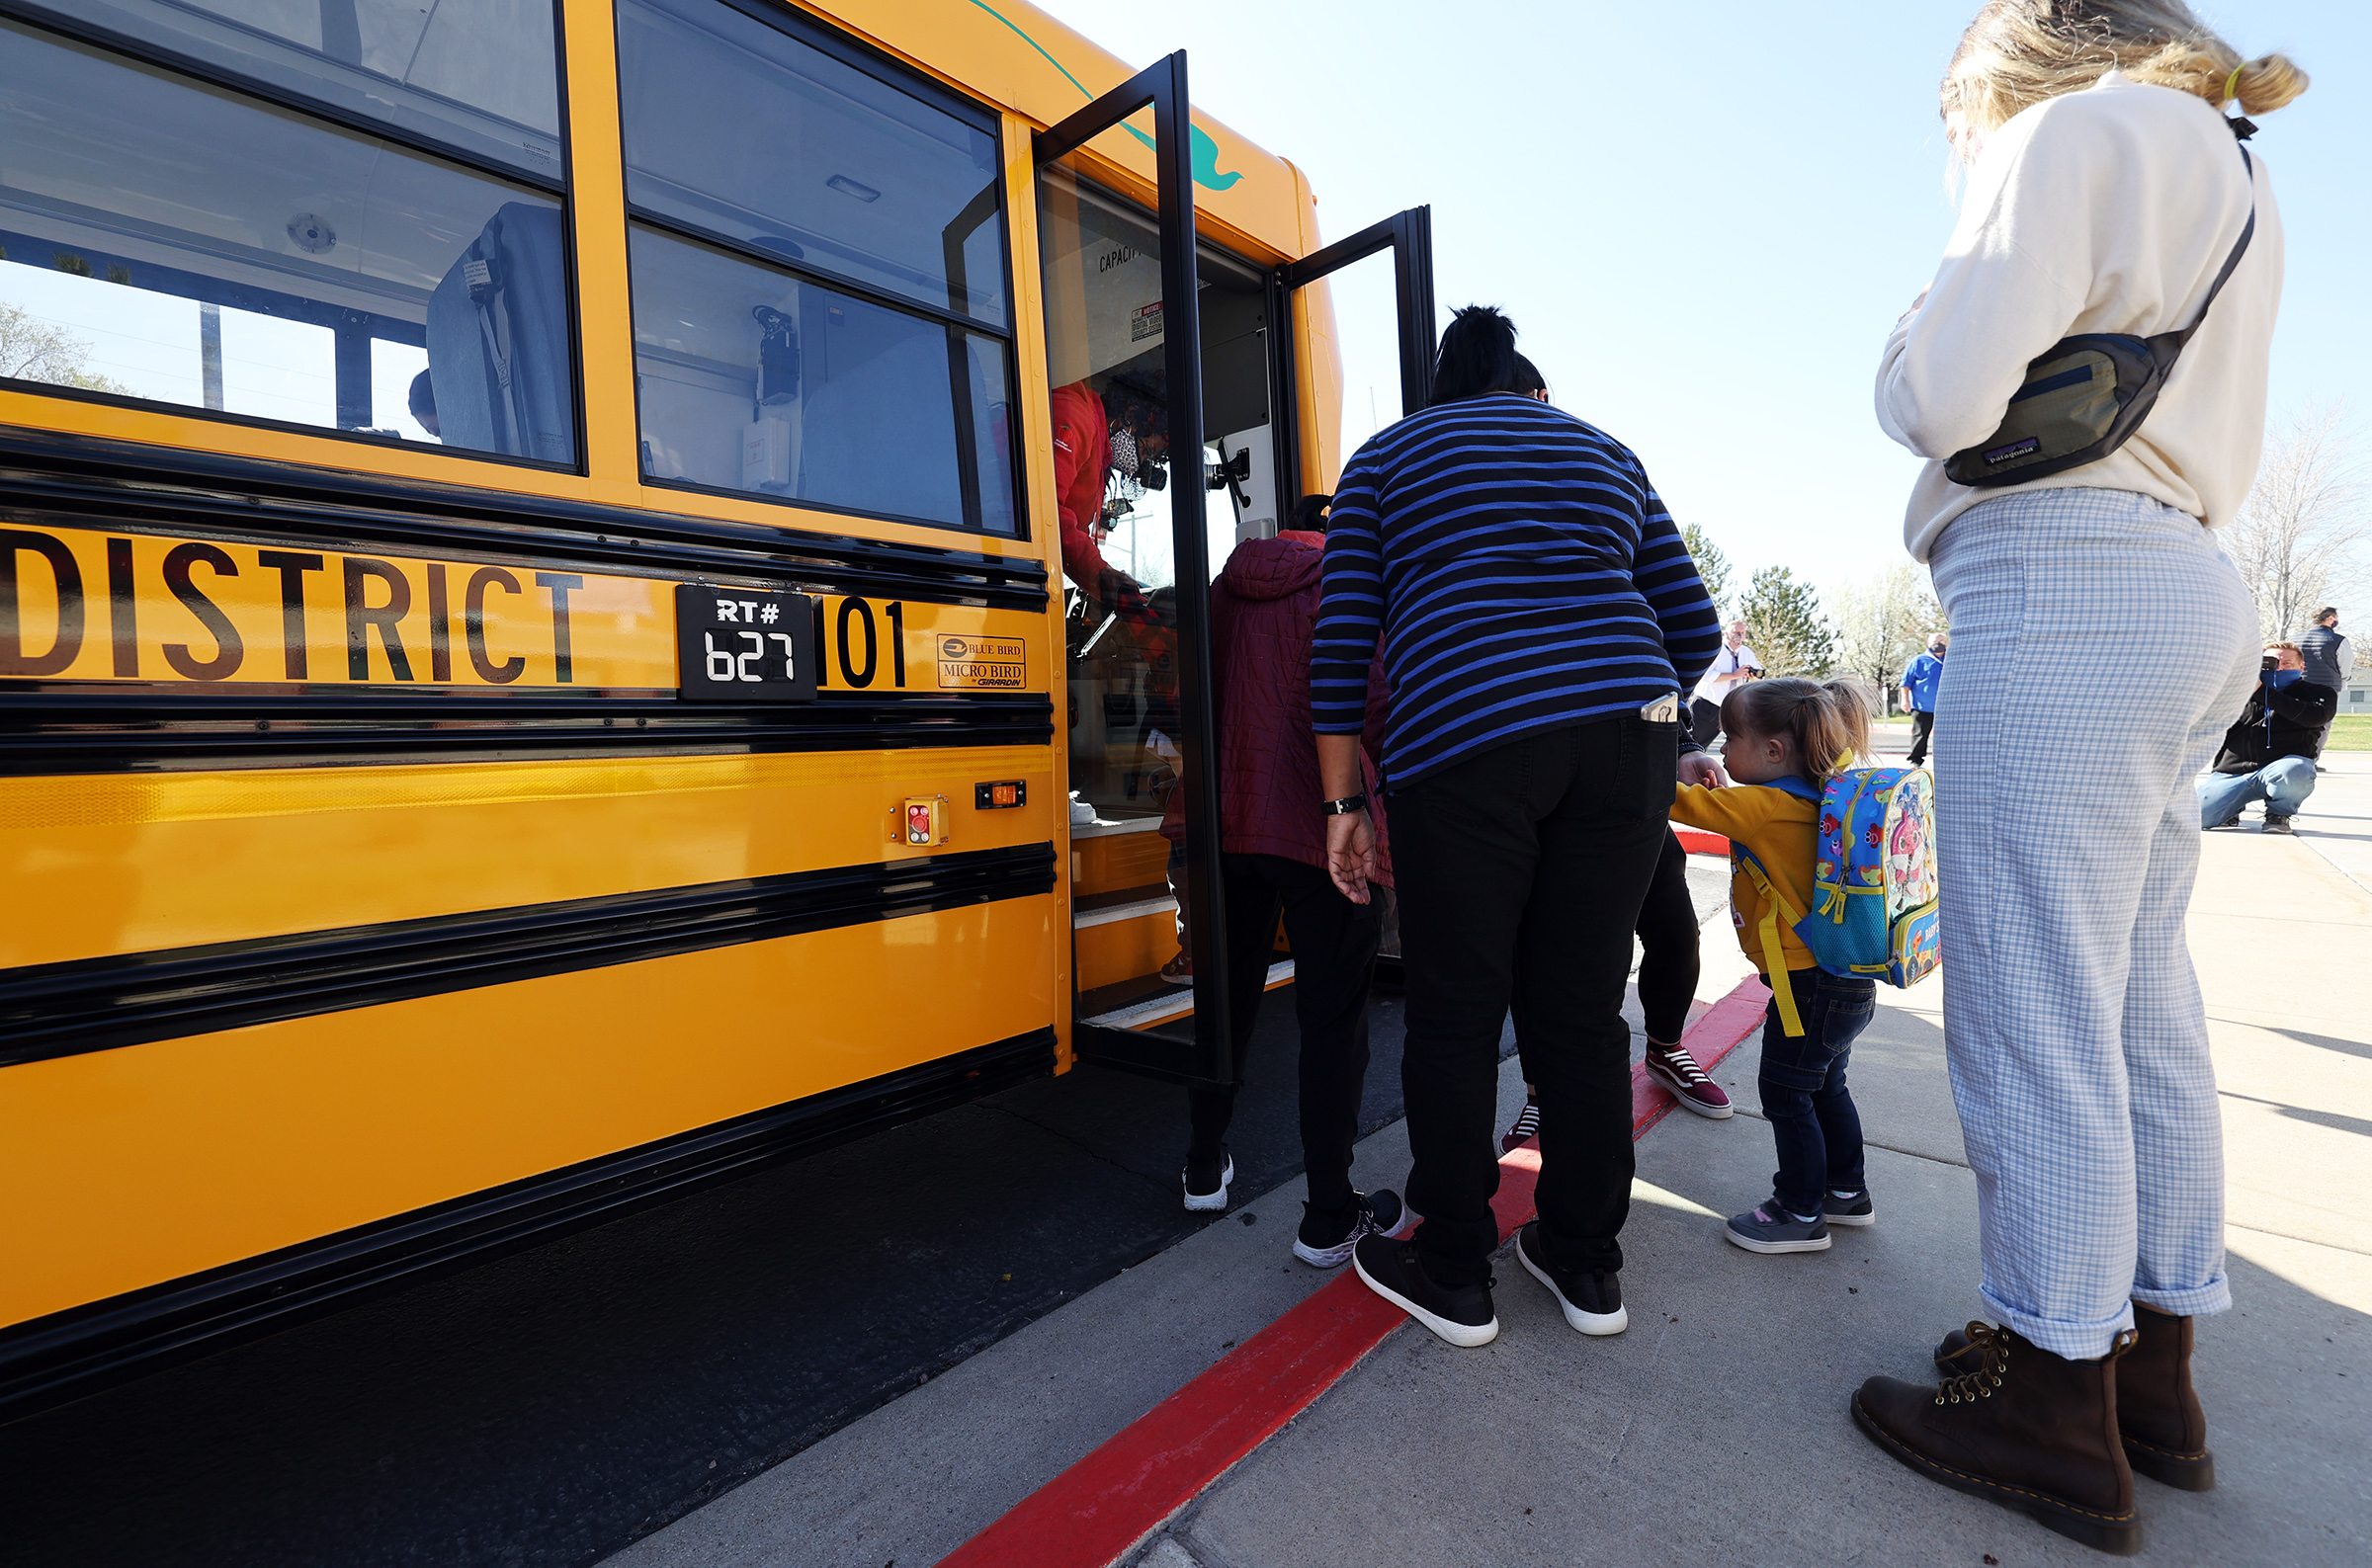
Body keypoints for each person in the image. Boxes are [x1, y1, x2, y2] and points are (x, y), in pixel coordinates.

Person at [1861, 3, 2303, 1548]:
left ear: (2010, 70)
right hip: (2187, 578)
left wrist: (1907, 329)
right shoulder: (2229, 166)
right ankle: (2154, 1367)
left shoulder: (2068, 135)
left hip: (2061, 580)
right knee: (2137, 997)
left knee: (2033, 995)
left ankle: (2057, 1389)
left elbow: (1941, 399)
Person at [1313, 304, 1722, 1349]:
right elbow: (1695, 624)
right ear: (1518, 386)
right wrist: (1623, 707)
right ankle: (1585, 1264)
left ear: (1441, 389)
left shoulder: (1389, 457)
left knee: (1454, 1012)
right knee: (1581, 1012)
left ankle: (1453, 1266)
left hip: (1465, 741)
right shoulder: (1603, 449)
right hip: (1625, 735)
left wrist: (1345, 806)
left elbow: (1344, 641)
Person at [1172, 507, 1408, 1268]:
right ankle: (1328, 1214)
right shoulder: (1349, 583)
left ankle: (1204, 1164)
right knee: (1332, 1020)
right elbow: (1376, 707)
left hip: (1226, 824)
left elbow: (1190, 696)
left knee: (1227, 996)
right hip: (1321, 831)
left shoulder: (1225, 589)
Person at [1671, 679, 1880, 1252]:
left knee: (1786, 1093)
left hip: (1806, 988)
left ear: (1773, 751)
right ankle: (1845, 1191)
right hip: (1844, 980)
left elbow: (1672, 801)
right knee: (1826, 1085)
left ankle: (1798, 1211)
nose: (1720, 752)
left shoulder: (1764, 806)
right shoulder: (1822, 795)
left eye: (1729, 739)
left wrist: (1674, 767)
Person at [2197, 642, 2334, 833]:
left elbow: (2314, 717)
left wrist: (2262, 692)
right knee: (2199, 818)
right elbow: (2208, 724)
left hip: (2282, 769)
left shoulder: (2319, 693)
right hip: (2234, 772)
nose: (2279, 668)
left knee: (2296, 770)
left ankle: (2278, 814)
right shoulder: (2237, 693)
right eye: (2271, 663)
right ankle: (2230, 810)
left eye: (2287, 663)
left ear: (2301, 667)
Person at [1690, 622, 1760, 746]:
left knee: (1737, 745)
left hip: (1732, 708)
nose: (1740, 636)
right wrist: (1734, 675)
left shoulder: (1746, 653)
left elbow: (1759, 674)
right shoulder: (1716, 650)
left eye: (1743, 633)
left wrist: (1753, 675)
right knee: (1695, 744)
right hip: (1707, 706)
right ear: (1727, 633)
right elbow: (1705, 675)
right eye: (1736, 632)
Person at [2300, 607, 2349, 769]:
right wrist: (2343, 680)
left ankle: (2294, 758)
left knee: (2296, 720)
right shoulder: (2338, 641)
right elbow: (2345, 667)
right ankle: (2311, 760)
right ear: (2330, 618)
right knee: (2322, 724)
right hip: (2327, 687)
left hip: (2299, 685)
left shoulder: (2295, 638)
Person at [1898, 632, 1947, 765]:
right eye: (1936, 641)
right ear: (1929, 644)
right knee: (1920, 734)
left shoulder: (1951, 660)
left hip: (1946, 707)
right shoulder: (1918, 660)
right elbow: (1905, 682)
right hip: (1922, 706)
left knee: (1946, 736)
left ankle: (1944, 760)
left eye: (1942, 641)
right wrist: (1904, 700)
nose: (1939, 644)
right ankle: (1916, 761)